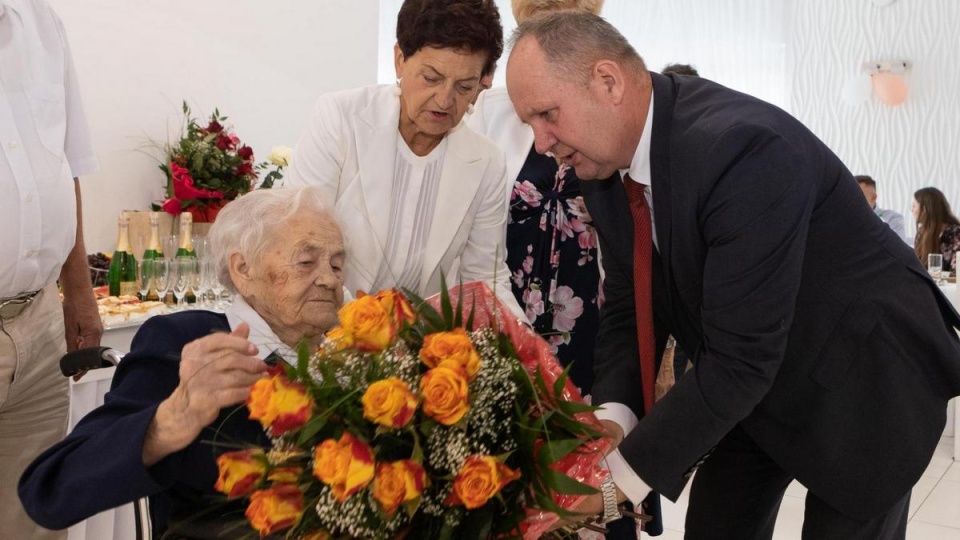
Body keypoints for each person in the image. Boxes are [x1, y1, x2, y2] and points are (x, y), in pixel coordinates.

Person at [506, 12, 960, 540]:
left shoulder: (740, 149)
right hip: (755, 380)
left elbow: (742, 360)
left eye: (547, 114)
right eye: (529, 124)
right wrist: (614, 419)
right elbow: (633, 306)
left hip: (866, 376)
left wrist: (609, 487)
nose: (541, 142)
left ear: (607, 81)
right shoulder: (602, 166)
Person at [19, 186, 346, 538]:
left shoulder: (360, 353)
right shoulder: (186, 341)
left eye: (337, 264)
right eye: (306, 261)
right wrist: (172, 418)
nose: (329, 279)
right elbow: (51, 491)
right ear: (243, 268)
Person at [286, 0, 523, 318]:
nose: (444, 100)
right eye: (431, 78)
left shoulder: (486, 162)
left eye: (464, 86)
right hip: (322, 328)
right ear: (400, 60)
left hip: (419, 346)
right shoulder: (341, 119)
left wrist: (526, 350)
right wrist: (372, 328)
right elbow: (300, 244)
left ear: (484, 82)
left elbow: (486, 279)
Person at [1, 1, 101, 538]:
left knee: (35, 520)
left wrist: (79, 291)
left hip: (38, 324)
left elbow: (66, 165)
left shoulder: (41, 22)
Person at [912, 186, 960, 275]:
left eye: (914, 206)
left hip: (951, 286)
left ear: (924, 209)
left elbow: (957, 271)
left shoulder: (956, 233)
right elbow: (917, 266)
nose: (912, 210)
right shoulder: (922, 232)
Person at [857, 175, 906, 241]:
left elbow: (898, 247)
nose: (854, 200)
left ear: (873, 198)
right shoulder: (843, 218)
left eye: (860, 196)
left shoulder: (892, 218)